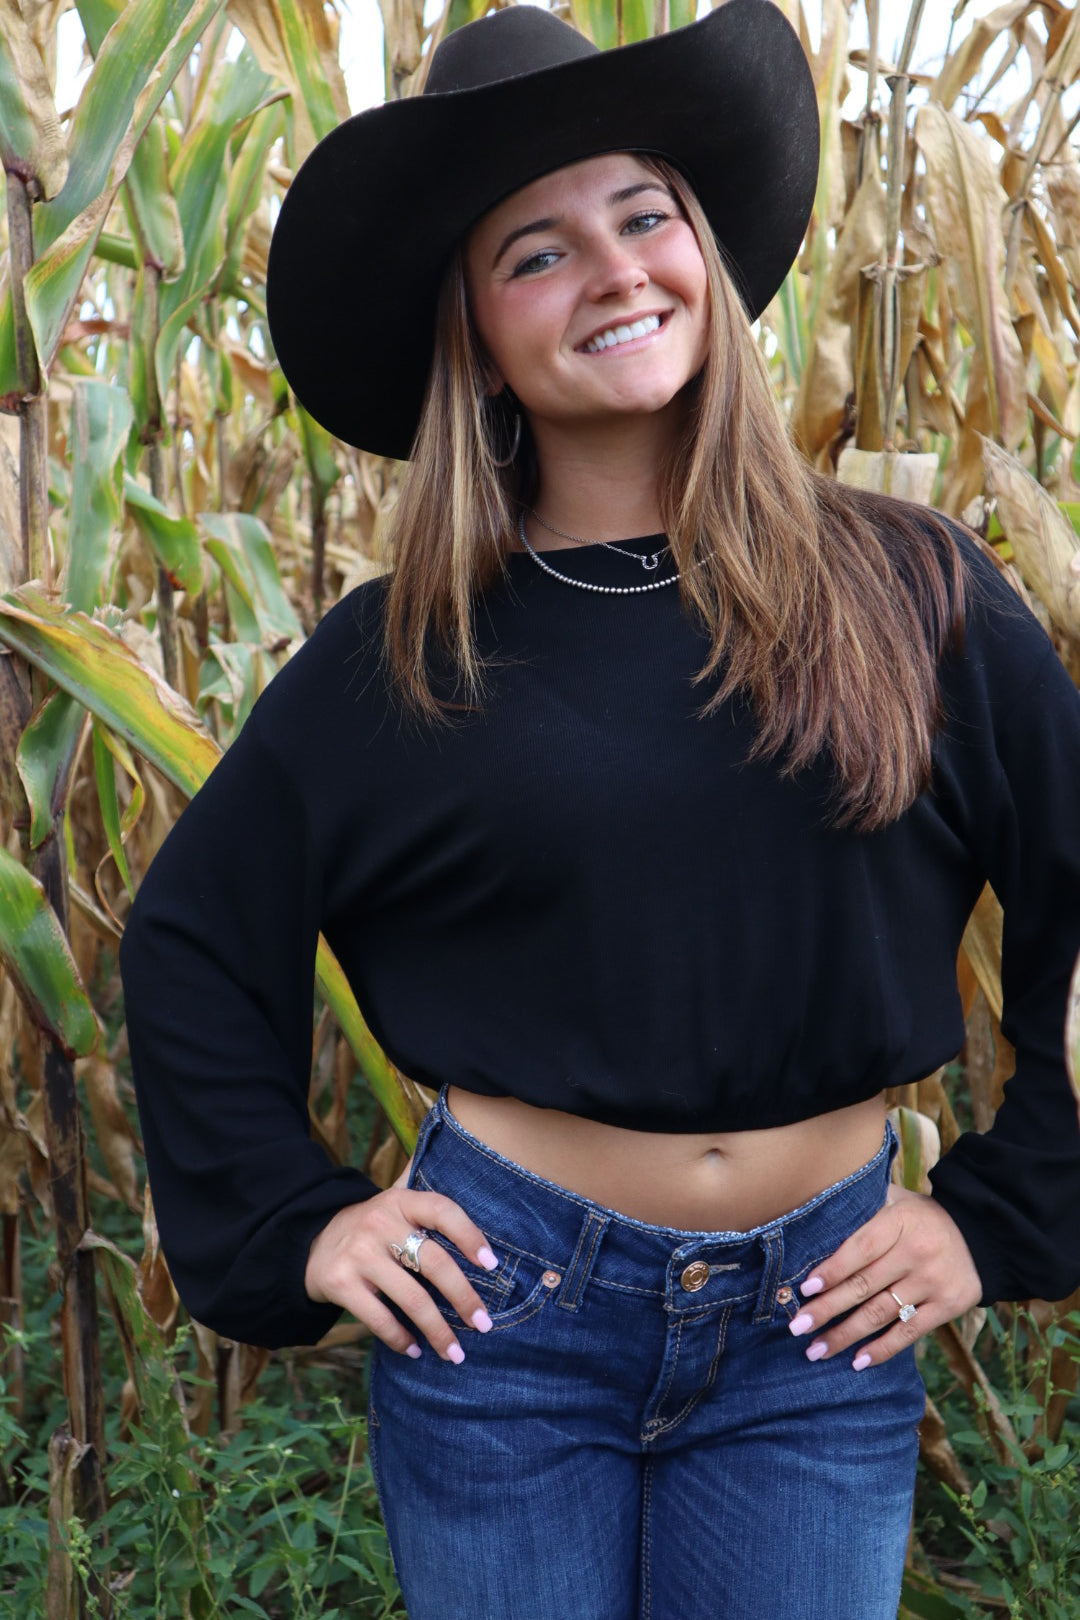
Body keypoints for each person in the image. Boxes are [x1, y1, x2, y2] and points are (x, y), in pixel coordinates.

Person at [118, 4, 1080, 1617]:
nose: (618, 269)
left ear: (705, 247)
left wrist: (1011, 1208)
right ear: (476, 332)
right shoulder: (407, 655)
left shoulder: (911, 591)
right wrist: (302, 1226)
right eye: (537, 253)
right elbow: (191, 936)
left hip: (821, 1328)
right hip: (505, 1324)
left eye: (645, 216)